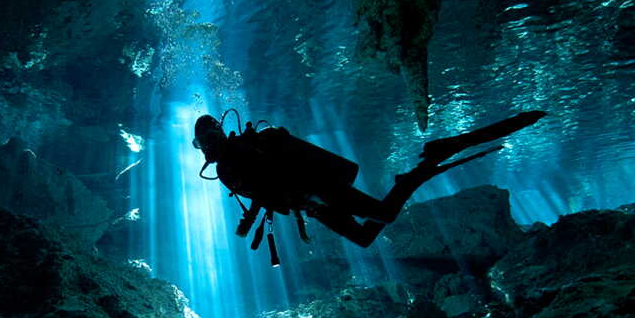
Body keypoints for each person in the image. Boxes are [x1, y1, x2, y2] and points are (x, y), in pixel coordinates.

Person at [193, 109, 545, 256]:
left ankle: (419, 173)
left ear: (215, 135)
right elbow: (266, 193)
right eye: (204, 142)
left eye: (206, 139)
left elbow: (269, 186)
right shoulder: (230, 163)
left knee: (384, 216)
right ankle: (415, 176)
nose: (207, 147)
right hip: (311, 204)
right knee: (364, 238)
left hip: (317, 192)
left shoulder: (238, 155)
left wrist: (263, 214)